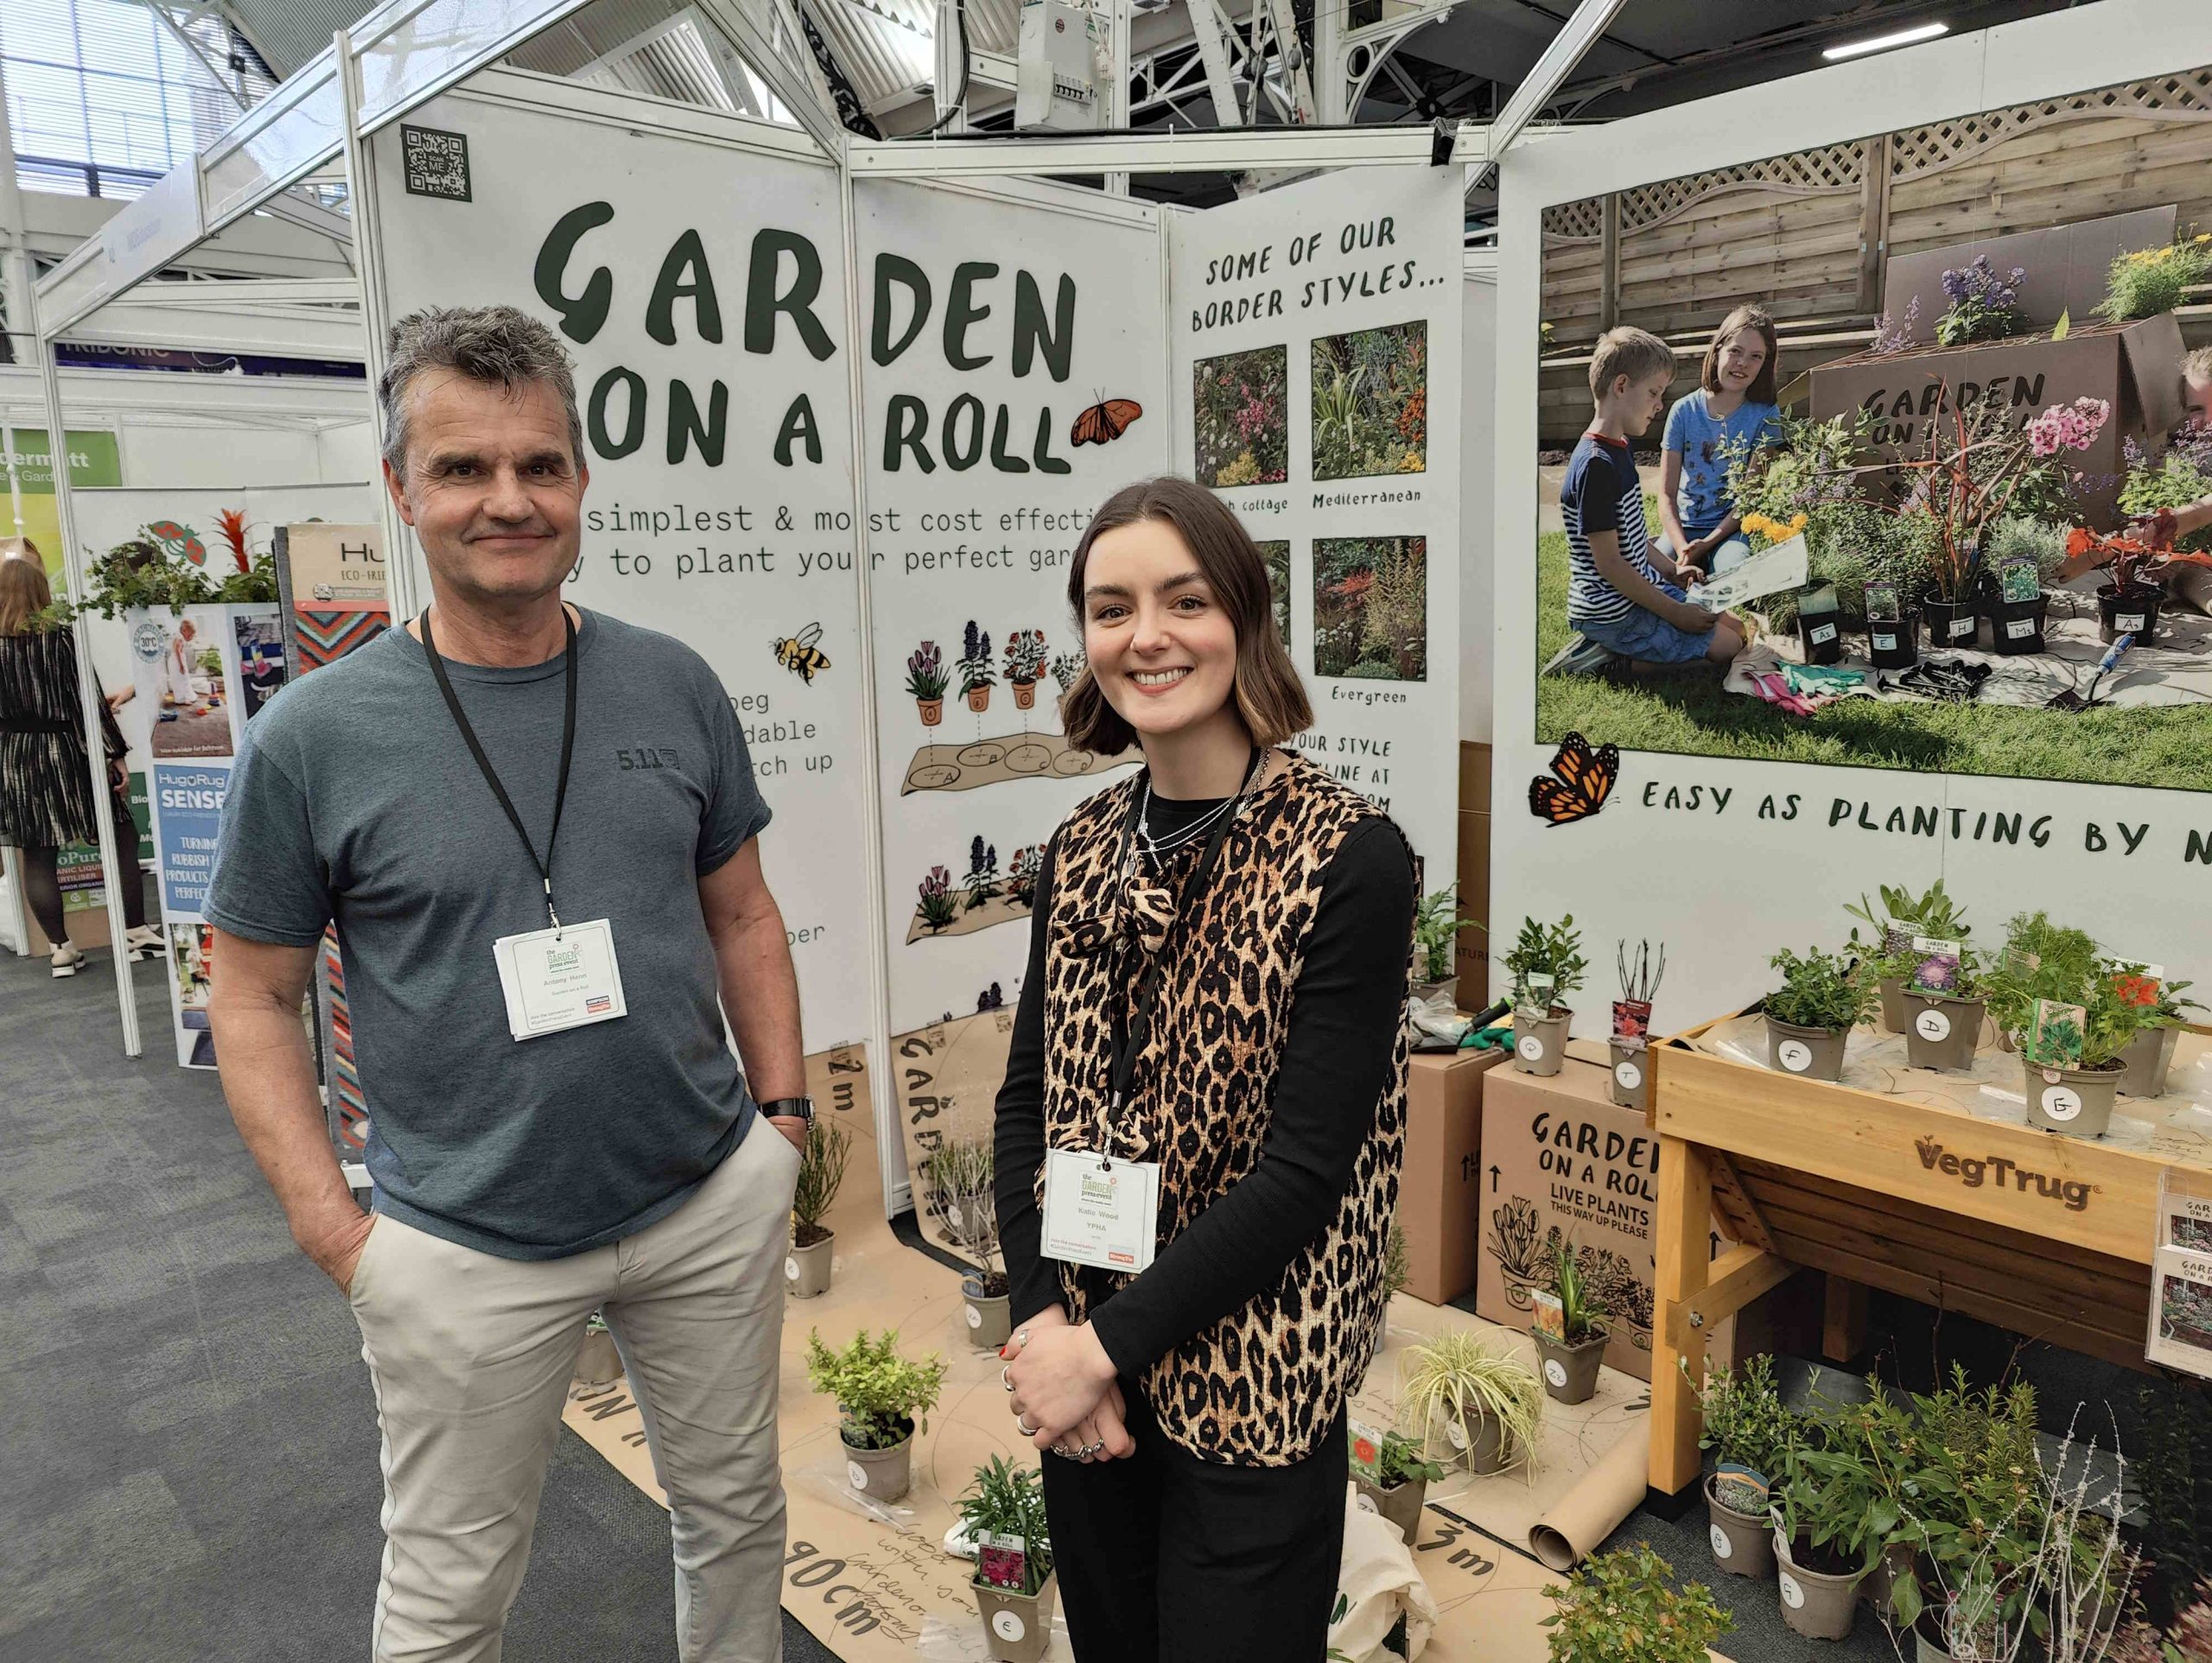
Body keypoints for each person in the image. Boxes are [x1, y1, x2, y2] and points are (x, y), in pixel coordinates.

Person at [205, 303, 812, 1663]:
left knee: (735, 1520)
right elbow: (246, 994)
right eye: (465, 469)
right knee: (448, 1598)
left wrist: (781, 1127)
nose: (508, 499)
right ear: (401, 491)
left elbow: (746, 913)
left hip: (703, 1197)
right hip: (462, 1241)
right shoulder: (314, 739)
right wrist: (338, 1234)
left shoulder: (673, 685)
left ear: (582, 482)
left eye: (540, 464)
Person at [993, 475, 1414, 1662]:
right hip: (1090, 1389)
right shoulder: (1077, 849)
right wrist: (1042, 1332)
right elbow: (1026, 1100)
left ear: (1243, 615)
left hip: (1249, 1384)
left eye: (1183, 600)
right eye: (1111, 607)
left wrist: (1103, 1347)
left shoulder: (1348, 858)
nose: (1148, 636)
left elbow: (1301, 1175)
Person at [0, 547, 159, 975]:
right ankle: (135, 932)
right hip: (70, 751)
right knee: (121, 832)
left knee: (38, 856)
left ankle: (60, 950)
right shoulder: (61, 638)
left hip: (16, 756)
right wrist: (116, 755)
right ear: (40, 591)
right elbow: (87, 704)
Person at [1559, 326, 1745, 670]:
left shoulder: (1620, 447)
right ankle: (1603, 661)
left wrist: (1673, 570)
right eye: (1654, 393)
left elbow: (1631, 540)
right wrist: (1675, 611)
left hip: (1639, 591)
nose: (1660, 406)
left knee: (1736, 627)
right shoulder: (1595, 466)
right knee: (1727, 649)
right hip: (1611, 611)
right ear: (1621, 386)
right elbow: (1610, 564)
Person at [1656, 305, 1783, 581]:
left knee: (1734, 575)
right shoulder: (1683, 411)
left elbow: (1750, 497)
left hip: (1731, 529)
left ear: (1764, 364)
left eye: (1755, 356)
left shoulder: (1766, 415)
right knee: (1654, 574)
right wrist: (1683, 549)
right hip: (1684, 528)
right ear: (1718, 350)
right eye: (1735, 351)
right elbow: (1665, 496)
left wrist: (1709, 543)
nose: (1742, 363)